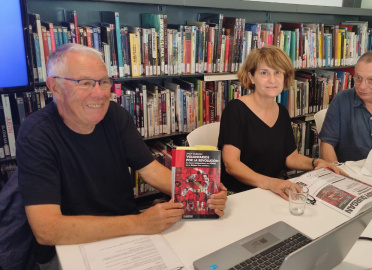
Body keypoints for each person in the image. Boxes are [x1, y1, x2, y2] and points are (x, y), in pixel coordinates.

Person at [16, 43, 227, 268]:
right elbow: (47, 230)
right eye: (85, 83)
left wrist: (203, 194)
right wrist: (139, 223)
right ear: (54, 87)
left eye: (104, 82)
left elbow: (151, 171)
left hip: (127, 235)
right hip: (68, 247)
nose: (99, 93)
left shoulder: (115, 115)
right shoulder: (36, 134)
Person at [218, 45, 345, 200]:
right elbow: (232, 165)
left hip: (273, 191)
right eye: (264, 73)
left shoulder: (282, 111)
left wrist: (317, 162)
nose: (272, 80)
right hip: (240, 195)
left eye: (277, 72)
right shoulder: (235, 110)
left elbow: (290, 157)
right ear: (251, 77)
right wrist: (273, 184)